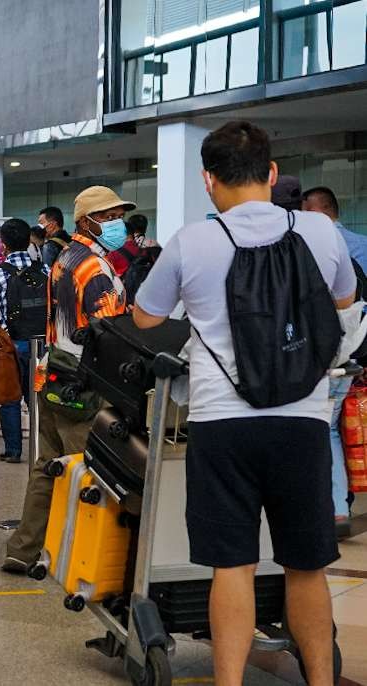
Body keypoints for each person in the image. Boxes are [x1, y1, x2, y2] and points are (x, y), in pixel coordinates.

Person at [134, 121, 352, 686]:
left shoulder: (192, 240)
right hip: (302, 421)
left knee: (232, 564)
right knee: (306, 565)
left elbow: (145, 315)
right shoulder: (321, 232)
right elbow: (346, 298)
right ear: (273, 174)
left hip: (222, 424)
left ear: (208, 180)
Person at [2, 185, 133, 574]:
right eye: (108, 217)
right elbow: (110, 330)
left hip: (53, 374)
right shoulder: (93, 266)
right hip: (86, 383)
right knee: (89, 471)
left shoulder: (62, 258)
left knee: (48, 466)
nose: (116, 224)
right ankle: (79, 557)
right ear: (87, 222)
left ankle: (22, 549)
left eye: (118, 216)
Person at [302, 185, 364, 540]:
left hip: (320, 357)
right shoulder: (361, 246)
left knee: (319, 431)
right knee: (338, 430)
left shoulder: (308, 248)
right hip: (351, 354)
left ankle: (332, 506)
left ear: (317, 210)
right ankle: (340, 505)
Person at [0, 218, 46, 464]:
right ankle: (40, 446)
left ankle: (13, 450)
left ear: (3, 245)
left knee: (10, 398)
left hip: (10, 343)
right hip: (40, 345)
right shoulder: (44, 270)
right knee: (36, 398)